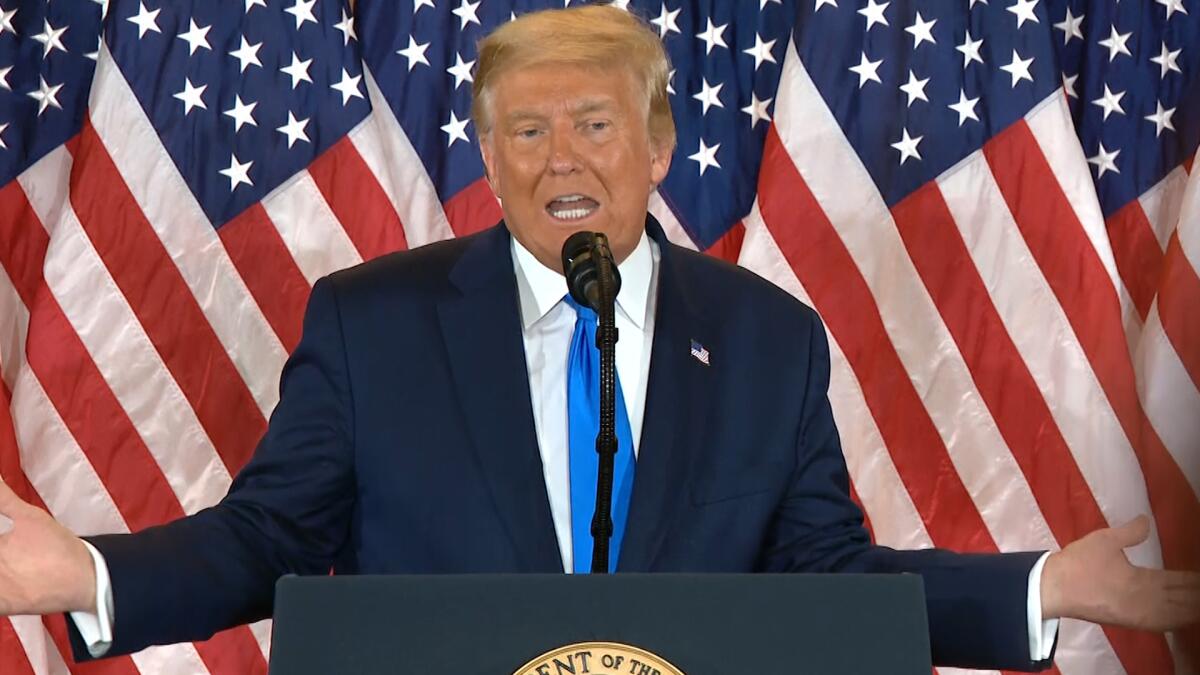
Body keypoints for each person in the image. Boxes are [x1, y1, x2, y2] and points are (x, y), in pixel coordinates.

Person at [0, 4, 1196, 671]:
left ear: (660, 146)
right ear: (489, 157)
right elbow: (265, 538)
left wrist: (1045, 587)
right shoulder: (373, 324)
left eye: (592, 123)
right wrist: (89, 573)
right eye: (524, 131)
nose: (560, 157)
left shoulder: (768, 339)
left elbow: (829, 578)